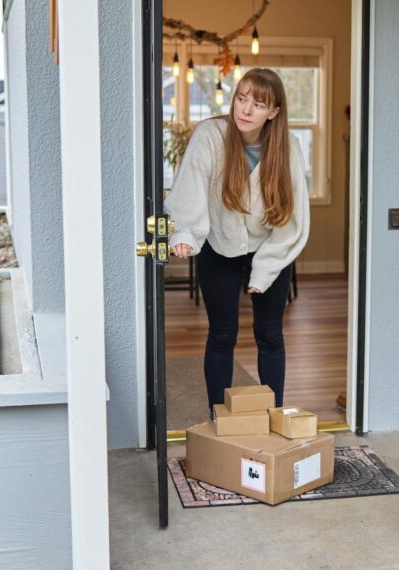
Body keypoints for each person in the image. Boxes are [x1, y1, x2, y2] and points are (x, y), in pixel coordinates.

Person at [165, 68, 310, 415]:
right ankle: (219, 419)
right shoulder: (210, 135)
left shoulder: (287, 147)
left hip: (270, 248)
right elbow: (190, 188)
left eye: (257, 104)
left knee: (270, 334)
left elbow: (294, 219)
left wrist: (263, 272)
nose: (245, 110)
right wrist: (185, 234)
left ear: (273, 112)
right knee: (222, 334)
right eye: (241, 99)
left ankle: (275, 416)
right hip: (220, 246)